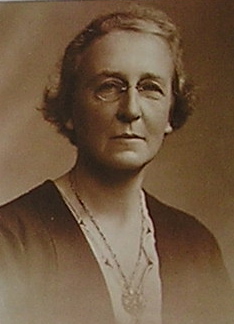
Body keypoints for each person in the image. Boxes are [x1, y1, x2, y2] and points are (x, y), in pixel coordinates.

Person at [0, 5, 233, 324]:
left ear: (169, 113)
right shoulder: (12, 239)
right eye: (109, 87)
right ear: (69, 110)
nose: (131, 110)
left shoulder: (197, 246)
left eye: (150, 88)